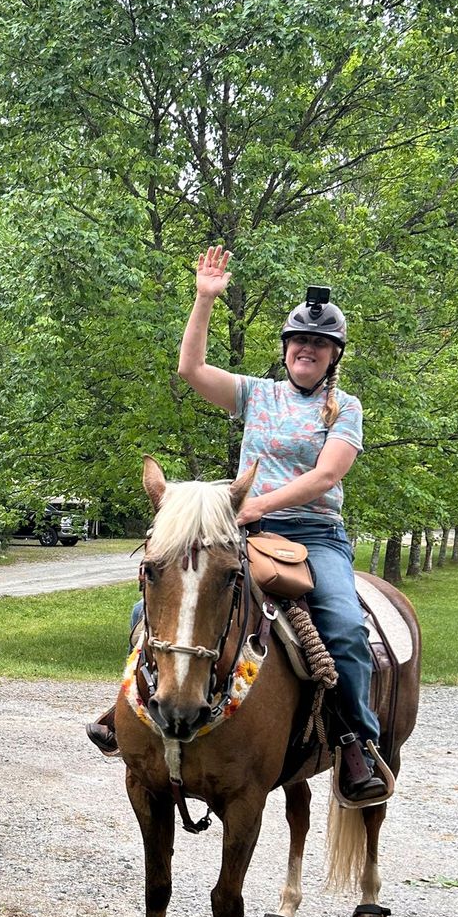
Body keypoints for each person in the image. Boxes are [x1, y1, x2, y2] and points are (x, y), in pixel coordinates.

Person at [87, 246, 387, 804]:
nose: (307, 350)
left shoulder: (344, 407)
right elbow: (192, 370)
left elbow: (326, 476)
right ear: (287, 349)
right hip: (241, 533)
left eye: (319, 344)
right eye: (299, 341)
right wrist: (204, 300)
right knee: (150, 605)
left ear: (332, 355)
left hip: (311, 536)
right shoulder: (259, 394)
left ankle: (355, 741)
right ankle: (130, 708)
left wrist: (258, 505)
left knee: (344, 629)